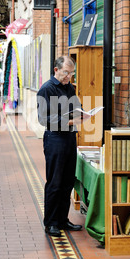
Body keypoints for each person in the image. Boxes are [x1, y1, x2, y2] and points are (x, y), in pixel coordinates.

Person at [36, 56, 88, 237]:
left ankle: (62, 220)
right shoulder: (46, 89)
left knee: (67, 182)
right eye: (66, 72)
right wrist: (71, 121)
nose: (69, 77)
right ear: (56, 69)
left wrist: (82, 115)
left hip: (69, 139)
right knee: (55, 182)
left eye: (71, 73)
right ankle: (50, 222)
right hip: (55, 139)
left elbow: (76, 107)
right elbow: (44, 119)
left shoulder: (69, 88)